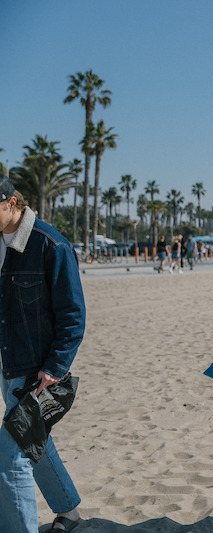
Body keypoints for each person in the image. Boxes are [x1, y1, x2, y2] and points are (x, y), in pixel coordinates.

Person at [0, 176, 85, 533]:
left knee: (11, 460)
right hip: (8, 364)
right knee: (36, 443)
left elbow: (73, 315)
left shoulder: (51, 244)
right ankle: (69, 511)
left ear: (13, 203)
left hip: (37, 371)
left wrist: (54, 367)